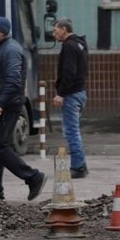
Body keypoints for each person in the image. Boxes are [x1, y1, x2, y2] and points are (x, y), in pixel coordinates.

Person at [0, 17, 45, 205]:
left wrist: (1, 105)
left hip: (5, 108)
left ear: (3, 32)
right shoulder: (2, 50)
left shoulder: (11, 51)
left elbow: (14, 81)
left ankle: (33, 177)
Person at [52, 18, 90, 178]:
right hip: (80, 92)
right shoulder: (80, 44)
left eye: (56, 30)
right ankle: (80, 164)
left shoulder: (68, 46)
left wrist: (61, 93)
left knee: (71, 131)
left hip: (71, 94)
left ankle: (78, 167)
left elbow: (69, 72)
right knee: (74, 130)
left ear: (64, 29)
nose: (54, 34)